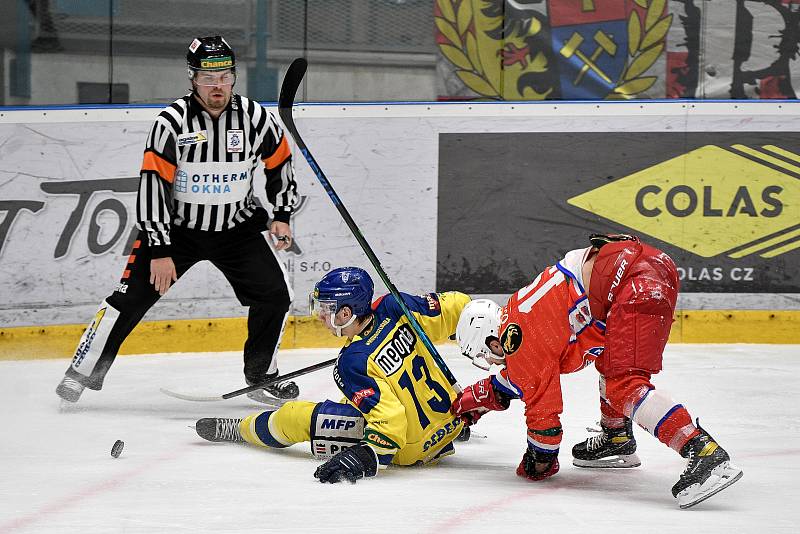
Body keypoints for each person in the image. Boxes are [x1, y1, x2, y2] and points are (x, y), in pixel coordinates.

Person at [55, 36, 299, 405]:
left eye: (225, 76)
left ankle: (261, 376)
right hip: (177, 231)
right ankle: (82, 372)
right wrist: (160, 248)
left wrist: (281, 214)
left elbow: (279, 163)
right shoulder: (171, 122)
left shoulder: (255, 117)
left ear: (233, 76)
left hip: (237, 229)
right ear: (192, 77)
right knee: (129, 299)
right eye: (207, 77)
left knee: (275, 295)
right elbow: (153, 185)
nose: (217, 85)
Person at [452, 233, 743, 509]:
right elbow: (525, 375)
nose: (494, 361)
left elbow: (543, 416)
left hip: (634, 280)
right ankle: (616, 438)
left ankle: (702, 450)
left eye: (488, 354)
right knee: (610, 363)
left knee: (624, 384)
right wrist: (474, 400)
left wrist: (538, 463)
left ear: (491, 335)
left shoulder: (517, 336)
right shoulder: (522, 314)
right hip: (642, 271)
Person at [194, 266, 472, 483]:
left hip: (411, 448)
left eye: (327, 310)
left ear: (347, 312)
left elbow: (392, 421)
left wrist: (368, 456)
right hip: (454, 418)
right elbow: (457, 307)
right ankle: (442, 430)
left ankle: (240, 430)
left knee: (294, 416)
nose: (321, 317)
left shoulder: (352, 362)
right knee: (359, 395)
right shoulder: (395, 307)